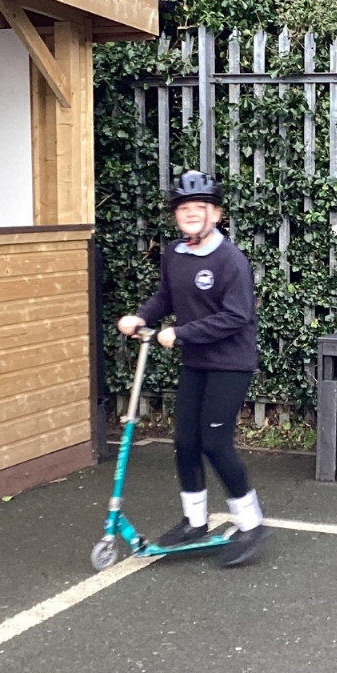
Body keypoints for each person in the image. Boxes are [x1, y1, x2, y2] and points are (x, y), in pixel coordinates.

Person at [117, 170, 268, 567]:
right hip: (196, 361)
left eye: (200, 207)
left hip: (230, 363)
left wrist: (181, 333)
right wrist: (141, 316)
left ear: (215, 214)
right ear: (176, 215)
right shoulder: (174, 254)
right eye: (184, 208)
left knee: (214, 443)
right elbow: (166, 297)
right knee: (185, 441)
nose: (191, 213)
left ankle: (251, 523)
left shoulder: (231, 260)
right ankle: (195, 521)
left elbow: (236, 316)